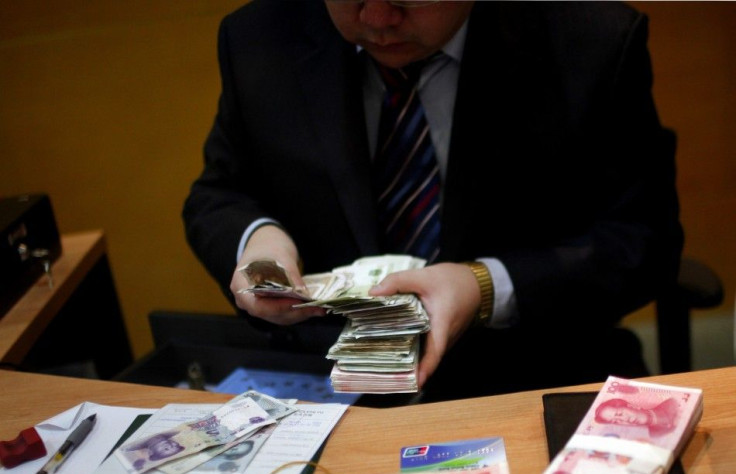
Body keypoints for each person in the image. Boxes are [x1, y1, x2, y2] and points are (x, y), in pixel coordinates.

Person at [183, 1, 683, 403]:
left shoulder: (591, 40)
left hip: (533, 367)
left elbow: (643, 240)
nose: (378, 17)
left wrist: (484, 285)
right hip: (330, 377)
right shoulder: (260, 36)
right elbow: (220, 193)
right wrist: (258, 240)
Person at [594, 397, 679, 437]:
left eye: (619, 414)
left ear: (632, 406)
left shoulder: (673, 404)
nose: (624, 420)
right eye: (616, 421)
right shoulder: (654, 436)